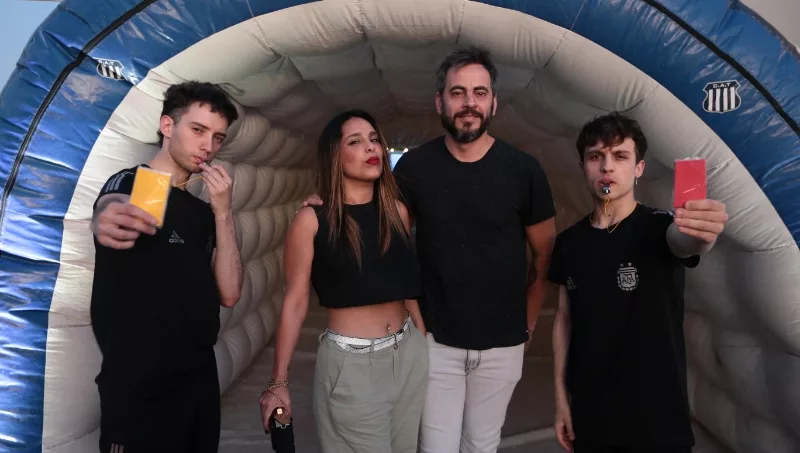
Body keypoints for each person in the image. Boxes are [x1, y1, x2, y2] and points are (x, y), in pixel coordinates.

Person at [304, 46, 557, 453]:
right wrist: (325, 203)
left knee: (482, 445)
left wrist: (528, 319)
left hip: (503, 342)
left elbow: (544, 254)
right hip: (435, 340)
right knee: (436, 447)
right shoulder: (414, 169)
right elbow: (373, 215)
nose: (469, 103)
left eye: (479, 92)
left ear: (494, 102)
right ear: (440, 101)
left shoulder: (524, 170)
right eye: (458, 93)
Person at [548, 113, 729, 453]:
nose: (607, 167)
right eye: (596, 156)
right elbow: (564, 319)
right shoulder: (569, 243)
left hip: (658, 420)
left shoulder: (659, 226)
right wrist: (560, 397)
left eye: (620, 156)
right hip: (591, 415)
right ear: (583, 167)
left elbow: (684, 241)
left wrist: (701, 232)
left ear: (639, 168)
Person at [259, 109, 429, 453]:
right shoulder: (311, 220)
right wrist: (278, 381)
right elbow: (295, 300)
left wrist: (423, 343)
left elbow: (405, 287)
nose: (371, 148)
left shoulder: (397, 212)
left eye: (374, 139)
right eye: (355, 141)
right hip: (353, 365)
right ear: (334, 156)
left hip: (409, 354)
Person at [89, 81, 243, 453]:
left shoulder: (203, 213)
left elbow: (229, 293)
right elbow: (119, 207)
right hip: (141, 388)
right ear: (167, 126)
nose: (208, 146)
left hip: (198, 379)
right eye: (198, 130)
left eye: (218, 138)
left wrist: (223, 212)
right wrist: (106, 217)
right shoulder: (145, 186)